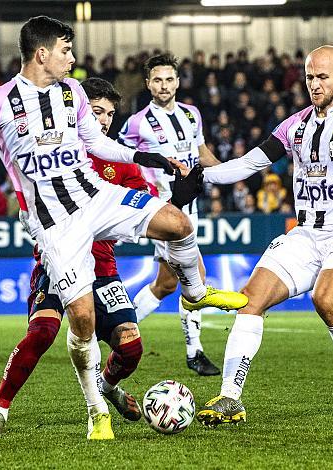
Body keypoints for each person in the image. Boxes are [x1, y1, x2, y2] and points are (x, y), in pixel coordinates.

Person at [0, 16, 248, 440]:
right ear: (42, 53)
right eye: (66, 50)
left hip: (94, 197)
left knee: (178, 223)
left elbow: (98, 143)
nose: (72, 58)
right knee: (82, 322)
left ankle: (195, 293)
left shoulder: (72, 93)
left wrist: (150, 159)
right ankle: (96, 412)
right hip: (55, 226)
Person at [185, 45, 333, 428]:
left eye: (323, 77)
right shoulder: (294, 125)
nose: (315, 84)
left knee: (326, 299)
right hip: (305, 233)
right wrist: (200, 176)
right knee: (250, 301)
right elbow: (250, 163)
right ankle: (231, 397)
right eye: (310, 76)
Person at [0, 77, 150, 435]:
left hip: (101, 265)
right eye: (97, 111)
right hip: (55, 261)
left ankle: (107, 386)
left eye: (109, 114)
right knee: (42, 332)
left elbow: (142, 205)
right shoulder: (49, 150)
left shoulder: (120, 161)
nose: (104, 120)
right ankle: (0, 409)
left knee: (131, 348)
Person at [119, 53, 224, 376]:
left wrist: (231, 171)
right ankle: (195, 351)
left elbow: (201, 153)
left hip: (188, 208)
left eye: (169, 79)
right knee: (198, 279)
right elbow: (121, 161)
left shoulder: (192, 115)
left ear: (178, 82)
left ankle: (119, 329)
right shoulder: (135, 123)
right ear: (148, 84)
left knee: (165, 284)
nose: (164, 85)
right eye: (157, 80)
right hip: (161, 212)